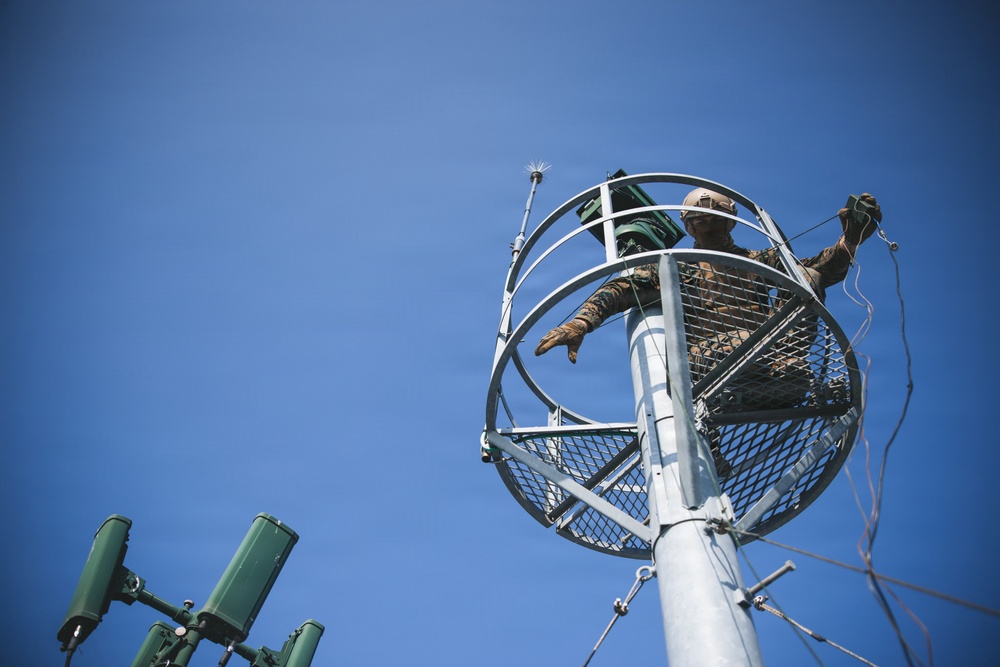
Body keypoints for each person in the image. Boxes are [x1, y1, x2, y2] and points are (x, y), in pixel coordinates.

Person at [534, 188, 882, 409]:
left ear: (730, 225)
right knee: (749, 342)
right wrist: (582, 322)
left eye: (713, 221)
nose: (706, 228)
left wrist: (848, 243)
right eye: (700, 222)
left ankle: (783, 368)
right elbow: (624, 287)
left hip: (773, 360)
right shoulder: (678, 268)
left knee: (805, 279)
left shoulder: (759, 261)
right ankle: (772, 367)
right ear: (689, 227)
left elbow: (819, 272)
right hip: (708, 363)